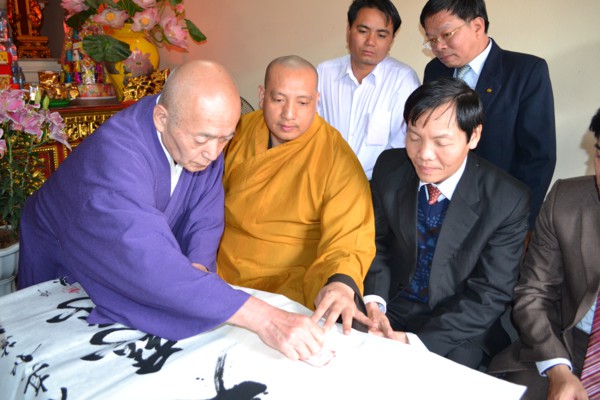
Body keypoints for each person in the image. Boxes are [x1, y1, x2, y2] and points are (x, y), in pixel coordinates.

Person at [18, 60, 327, 362]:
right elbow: (144, 257)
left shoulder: (200, 131)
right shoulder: (115, 158)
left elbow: (205, 215)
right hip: (67, 258)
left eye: (225, 139)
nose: (213, 153)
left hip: (140, 253)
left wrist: (198, 268)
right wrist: (264, 318)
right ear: (161, 118)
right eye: (203, 139)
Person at [364, 77, 530, 370]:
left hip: (457, 324)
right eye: (414, 137)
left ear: (474, 136)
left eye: (441, 142)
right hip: (390, 304)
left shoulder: (507, 199)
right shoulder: (390, 168)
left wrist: (416, 343)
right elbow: (377, 244)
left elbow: (490, 292)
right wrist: (374, 303)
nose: (424, 155)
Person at [217, 55, 375, 334]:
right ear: (262, 95)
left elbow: (350, 235)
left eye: (302, 103)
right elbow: (202, 199)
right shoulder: (237, 132)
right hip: (222, 272)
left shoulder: (336, 156)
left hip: (291, 286)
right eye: (278, 100)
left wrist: (341, 282)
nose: (289, 114)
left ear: (316, 101)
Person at [488, 109, 600, 399]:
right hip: (566, 343)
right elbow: (534, 293)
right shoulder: (566, 200)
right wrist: (558, 369)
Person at [420, 0, 556, 228]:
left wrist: (522, 222)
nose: (439, 46)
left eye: (446, 34)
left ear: (477, 26)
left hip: (500, 211)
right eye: (432, 39)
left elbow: (538, 157)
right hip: (443, 211)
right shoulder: (434, 71)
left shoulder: (526, 71)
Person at [317, 0, 420, 180]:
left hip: (377, 184)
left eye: (381, 35)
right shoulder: (323, 73)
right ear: (348, 30)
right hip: (325, 179)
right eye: (363, 31)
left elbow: (403, 146)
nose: (370, 42)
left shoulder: (403, 80)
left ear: (391, 40)